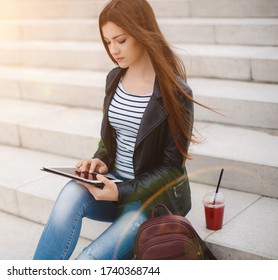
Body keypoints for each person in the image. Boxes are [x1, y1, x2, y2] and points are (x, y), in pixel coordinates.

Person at [33, 0, 203, 260]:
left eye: (121, 40)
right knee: (70, 192)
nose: (113, 50)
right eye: (108, 42)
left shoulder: (175, 93)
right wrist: (99, 161)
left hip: (149, 202)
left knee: (87, 261)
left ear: (142, 32)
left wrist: (122, 191)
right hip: (111, 186)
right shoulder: (115, 78)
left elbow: (171, 168)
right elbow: (111, 139)